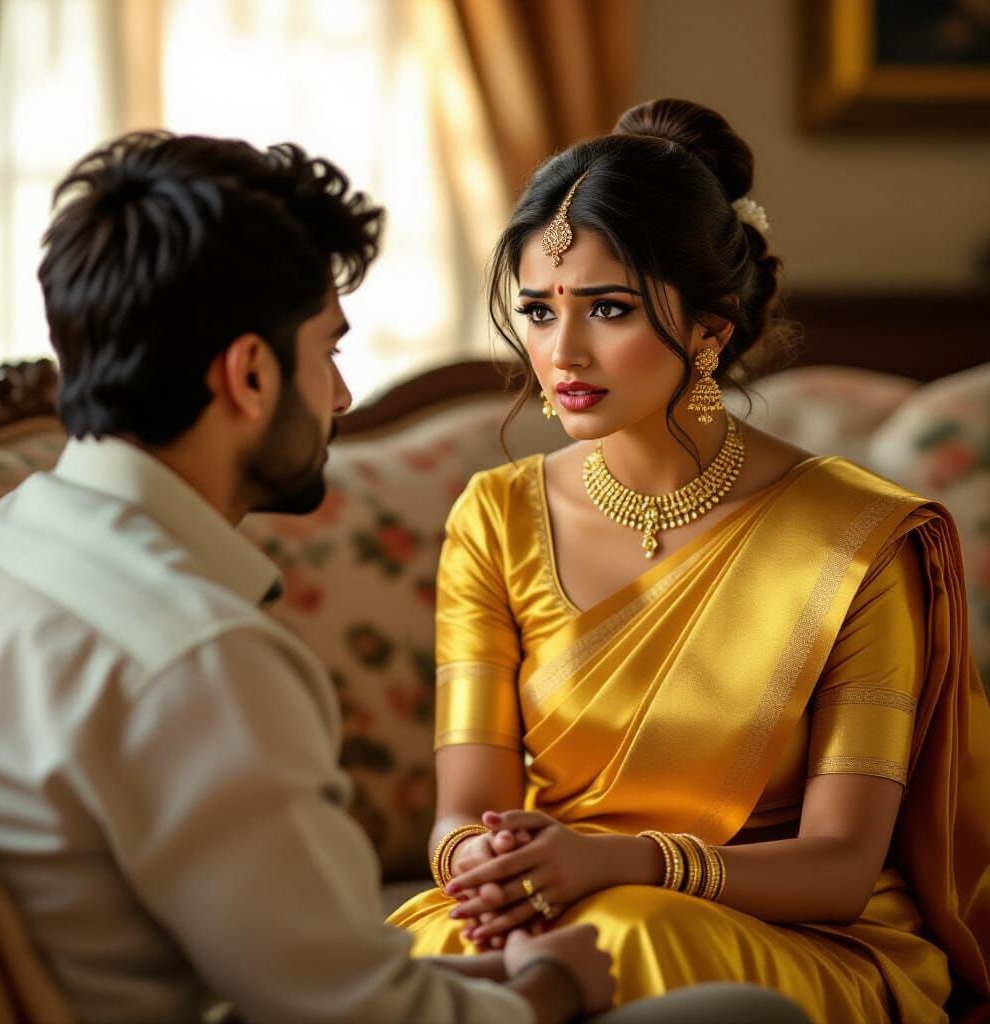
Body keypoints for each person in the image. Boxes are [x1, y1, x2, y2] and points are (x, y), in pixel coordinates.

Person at [0, 131, 619, 1024]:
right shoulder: (201, 660)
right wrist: (552, 985)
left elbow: (290, 974)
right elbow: (364, 1018)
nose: (343, 397)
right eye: (329, 349)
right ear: (250, 373)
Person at [388, 98, 990, 1023]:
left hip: (787, 932)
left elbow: (839, 867)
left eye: (610, 309)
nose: (562, 353)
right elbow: (462, 811)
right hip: (547, 906)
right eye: (539, 312)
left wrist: (620, 862)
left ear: (711, 328)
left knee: (632, 934)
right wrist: (489, 867)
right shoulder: (495, 518)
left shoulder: (859, 540)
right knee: (422, 957)